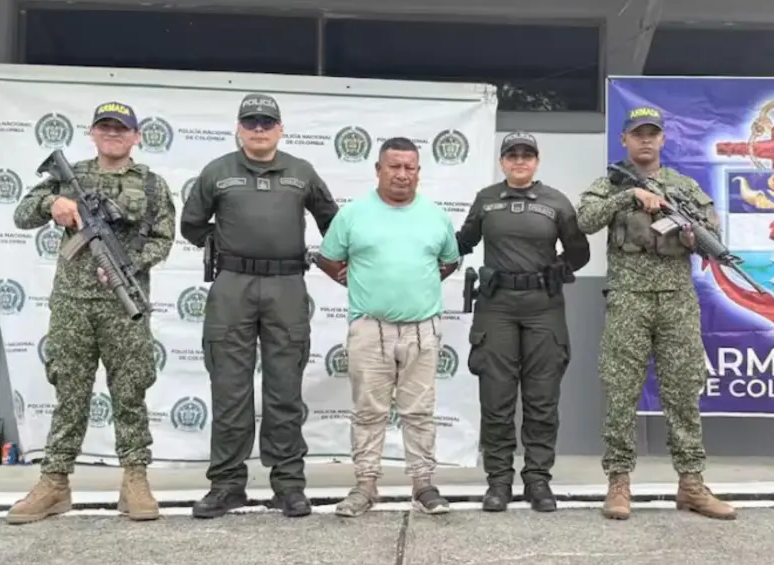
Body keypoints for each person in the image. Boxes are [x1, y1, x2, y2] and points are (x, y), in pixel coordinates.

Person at [7, 101, 176, 525]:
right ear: (93, 133)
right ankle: (55, 482)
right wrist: (53, 206)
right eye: (105, 127)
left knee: (130, 391)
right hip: (72, 305)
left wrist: (129, 264)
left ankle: (134, 478)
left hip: (125, 303)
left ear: (136, 136)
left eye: (122, 129)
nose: (113, 134)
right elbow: (21, 214)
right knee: (70, 393)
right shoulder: (71, 177)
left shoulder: (153, 185)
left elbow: (163, 238)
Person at [181, 93, 338, 519]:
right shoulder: (218, 172)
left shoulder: (301, 173)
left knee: (284, 389)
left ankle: (288, 485)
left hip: (286, 285)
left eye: (267, 123)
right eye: (251, 122)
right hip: (232, 286)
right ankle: (227, 484)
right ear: (239, 128)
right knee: (229, 389)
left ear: (280, 129)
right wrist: (224, 247)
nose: (259, 130)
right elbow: (192, 223)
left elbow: (333, 222)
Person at [576, 106, 736, 521]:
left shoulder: (684, 187)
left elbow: (711, 240)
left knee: (683, 391)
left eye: (653, 133)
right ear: (624, 140)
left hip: (676, 300)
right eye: (637, 133)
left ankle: (691, 483)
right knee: (621, 391)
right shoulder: (609, 183)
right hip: (629, 298)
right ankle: (618, 482)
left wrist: (690, 233)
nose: (645, 140)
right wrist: (630, 196)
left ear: (663, 140)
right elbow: (584, 220)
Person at [316, 137, 460, 518]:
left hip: (422, 330)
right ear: (378, 170)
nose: (401, 174)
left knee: (420, 411)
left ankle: (423, 485)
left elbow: (448, 262)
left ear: (418, 172)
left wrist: (412, 287)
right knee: (368, 411)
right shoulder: (352, 214)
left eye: (409, 167)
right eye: (393, 166)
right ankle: (364, 486)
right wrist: (364, 285)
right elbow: (328, 259)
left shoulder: (436, 216)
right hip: (370, 328)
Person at [455, 131, 590, 513]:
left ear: (536, 160)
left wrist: (557, 270)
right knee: (496, 398)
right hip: (496, 307)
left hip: (543, 308)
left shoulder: (556, 202)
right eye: (512, 155)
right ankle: (498, 481)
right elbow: (462, 241)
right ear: (502, 162)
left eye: (526, 155)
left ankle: (537, 480)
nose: (519, 161)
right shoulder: (486, 199)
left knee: (542, 398)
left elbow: (578, 250)